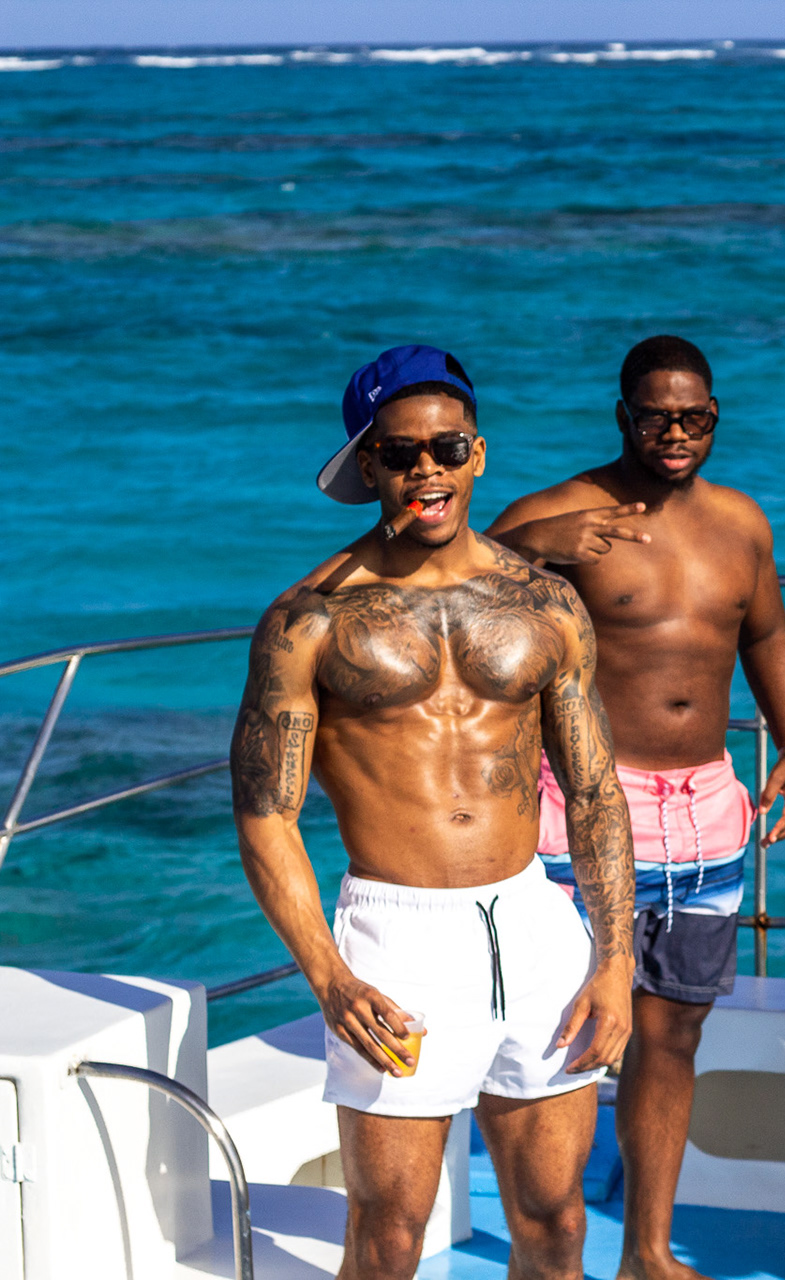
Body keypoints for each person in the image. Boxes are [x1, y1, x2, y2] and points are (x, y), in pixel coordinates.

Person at [231, 345, 635, 1280]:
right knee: (389, 1237)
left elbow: (593, 790)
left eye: (447, 448)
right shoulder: (309, 620)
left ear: (477, 454)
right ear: (367, 465)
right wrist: (330, 978)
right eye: (400, 452)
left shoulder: (546, 604)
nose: (427, 471)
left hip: (533, 924)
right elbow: (264, 816)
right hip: (398, 934)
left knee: (556, 1221)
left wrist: (615, 961)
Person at [487, 334, 785, 1280]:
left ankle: (648, 1253)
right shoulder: (554, 515)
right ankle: (546, 1256)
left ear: (715, 417)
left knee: (673, 1036)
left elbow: (768, 634)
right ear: (623, 415)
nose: (676, 433)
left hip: (706, 807)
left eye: (694, 417)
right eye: (656, 417)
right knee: (565, 1032)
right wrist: (528, 549)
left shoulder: (741, 523)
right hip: (585, 807)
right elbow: (448, 587)